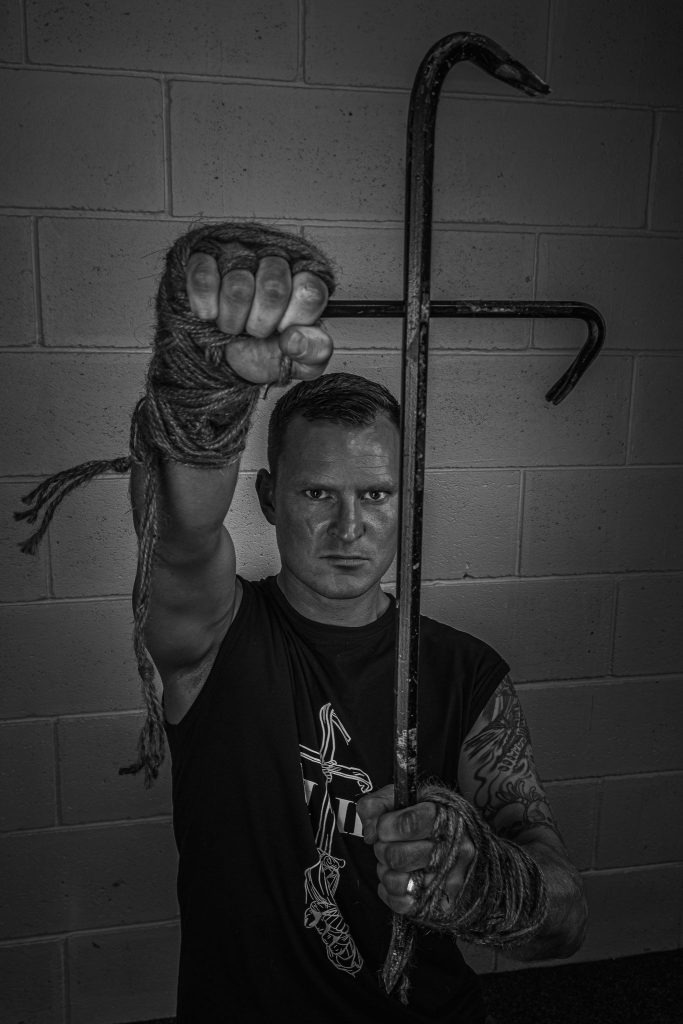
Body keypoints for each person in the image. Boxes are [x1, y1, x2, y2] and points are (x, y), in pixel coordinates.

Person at [130, 232, 587, 1023]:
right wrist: (202, 389)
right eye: (317, 495)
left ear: (406, 501)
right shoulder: (212, 640)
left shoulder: (464, 671)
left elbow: (564, 921)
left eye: (375, 495)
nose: (349, 528)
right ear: (270, 498)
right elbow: (179, 536)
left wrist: (485, 884)